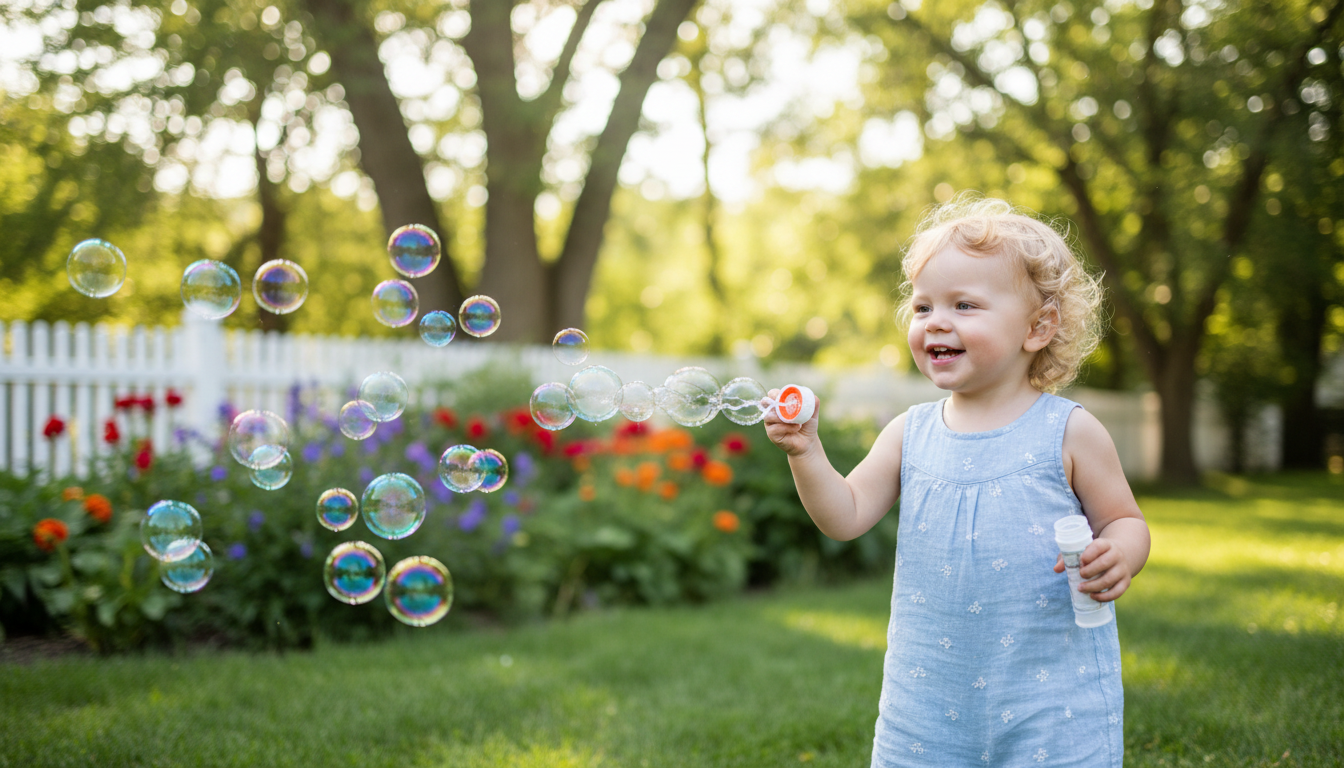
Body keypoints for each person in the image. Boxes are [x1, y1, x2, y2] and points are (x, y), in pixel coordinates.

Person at [764, 196, 1151, 766]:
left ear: (1038, 327)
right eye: (923, 307)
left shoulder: (1069, 432)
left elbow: (1124, 519)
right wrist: (806, 450)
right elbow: (844, 516)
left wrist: (1119, 552)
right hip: (926, 698)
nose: (936, 321)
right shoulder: (909, 432)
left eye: (965, 304)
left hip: (1049, 696)